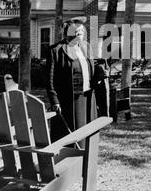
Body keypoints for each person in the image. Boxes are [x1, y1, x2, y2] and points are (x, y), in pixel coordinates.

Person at [46, 16, 109, 144]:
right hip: (68, 100)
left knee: (88, 133)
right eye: (76, 30)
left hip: (88, 97)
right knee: (70, 137)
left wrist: (100, 71)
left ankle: (86, 159)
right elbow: (49, 79)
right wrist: (54, 101)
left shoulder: (87, 47)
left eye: (81, 30)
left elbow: (90, 68)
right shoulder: (56, 50)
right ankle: (69, 160)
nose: (80, 33)